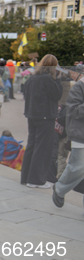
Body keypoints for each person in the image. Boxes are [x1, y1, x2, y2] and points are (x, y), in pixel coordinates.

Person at [21, 54, 64, 188]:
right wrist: (58, 80)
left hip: (32, 115)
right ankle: (36, 180)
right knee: (43, 148)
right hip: (45, 117)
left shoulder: (32, 78)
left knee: (32, 145)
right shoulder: (48, 79)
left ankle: (26, 177)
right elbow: (57, 95)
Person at [53, 74, 84, 209]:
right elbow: (73, 111)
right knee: (77, 167)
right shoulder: (79, 87)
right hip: (80, 135)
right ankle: (59, 188)